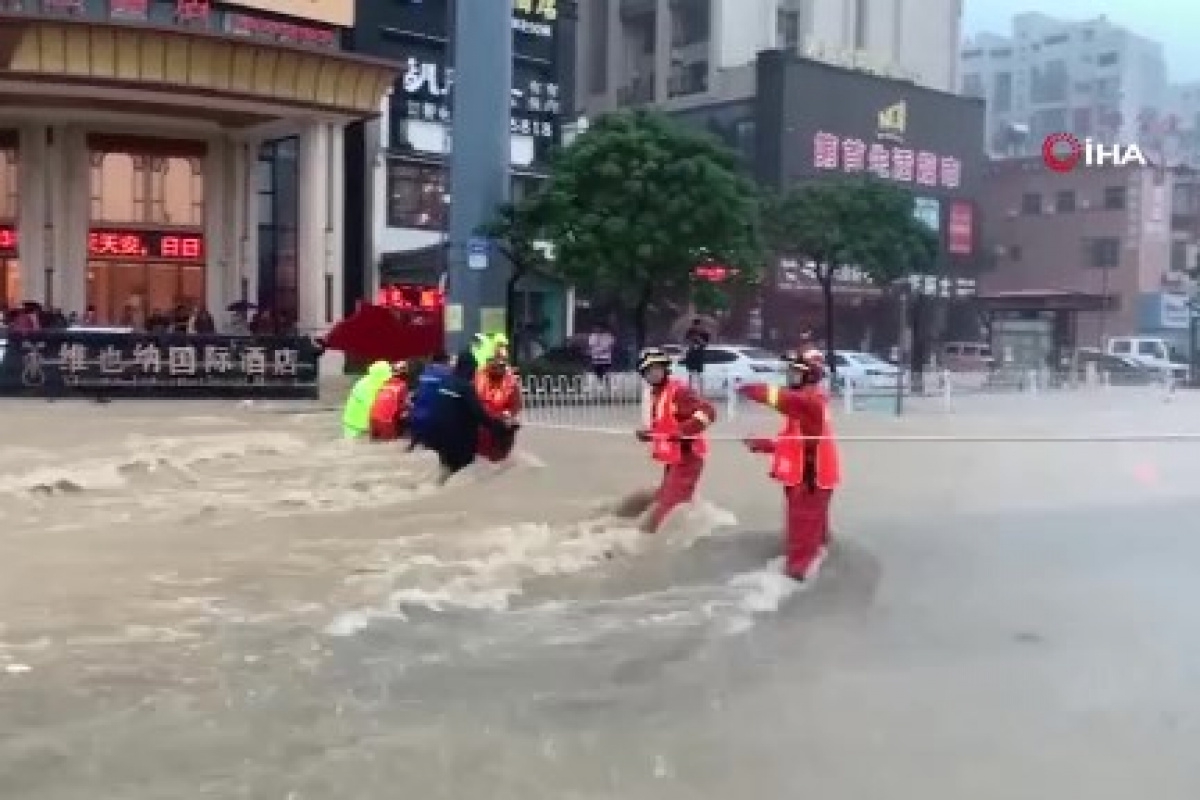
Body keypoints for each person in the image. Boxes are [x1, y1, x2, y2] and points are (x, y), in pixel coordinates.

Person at [739, 350, 842, 582]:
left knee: (801, 540)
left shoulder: (809, 401)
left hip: (809, 481)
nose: (790, 377)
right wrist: (764, 445)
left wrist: (752, 389)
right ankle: (818, 567)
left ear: (810, 376)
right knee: (814, 535)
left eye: (796, 373)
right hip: (810, 478)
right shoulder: (804, 407)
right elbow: (793, 443)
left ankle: (795, 579)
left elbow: (783, 399)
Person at [635, 347, 715, 532]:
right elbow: (666, 425)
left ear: (665, 369)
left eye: (656, 369)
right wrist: (649, 435)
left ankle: (651, 537)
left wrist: (683, 430)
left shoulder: (680, 391)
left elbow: (708, 412)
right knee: (666, 499)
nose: (652, 374)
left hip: (688, 457)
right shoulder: (658, 394)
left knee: (667, 510)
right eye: (648, 371)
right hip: (674, 458)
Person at [425, 350, 513, 483]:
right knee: (466, 475)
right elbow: (480, 416)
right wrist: (500, 426)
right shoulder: (465, 387)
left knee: (447, 471)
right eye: (473, 369)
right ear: (467, 368)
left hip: (439, 439)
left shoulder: (445, 382)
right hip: (459, 442)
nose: (473, 374)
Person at [475, 345, 522, 462]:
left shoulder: (510, 382)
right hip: (482, 421)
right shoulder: (479, 378)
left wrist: (508, 415)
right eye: (494, 366)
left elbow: (516, 404)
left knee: (509, 428)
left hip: (500, 420)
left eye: (500, 366)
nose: (497, 369)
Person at [408, 352, 452, 451]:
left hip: (420, 407)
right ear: (444, 361)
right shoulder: (446, 371)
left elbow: (419, 389)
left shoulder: (426, 370)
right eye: (448, 361)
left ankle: (414, 443)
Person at [341, 360, 394, 440]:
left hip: (354, 424)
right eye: (387, 375)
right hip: (355, 425)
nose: (389, 378)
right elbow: (371, 405)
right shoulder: (366, 386)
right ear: (381, 375)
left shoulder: (371, 382)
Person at [368, 362, 412, 442]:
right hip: (387, 423)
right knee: (410, 412)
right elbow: (405, 405)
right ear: (404, 373)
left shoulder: (383, 384)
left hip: (372, 420)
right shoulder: (402, 385)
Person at [682, 318, 710, 391]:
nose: (696, 327)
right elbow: (685, 342)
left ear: (700, 325)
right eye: (695, 325)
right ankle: (690, 389)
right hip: (691, 353)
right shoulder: (690, 332)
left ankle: (701, 390)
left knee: (700, 373)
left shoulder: (705, 333)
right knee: (690, 373)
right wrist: (690, 341)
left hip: (699, 354)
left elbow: (706, 344)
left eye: (698, 325)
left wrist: (698, 339)